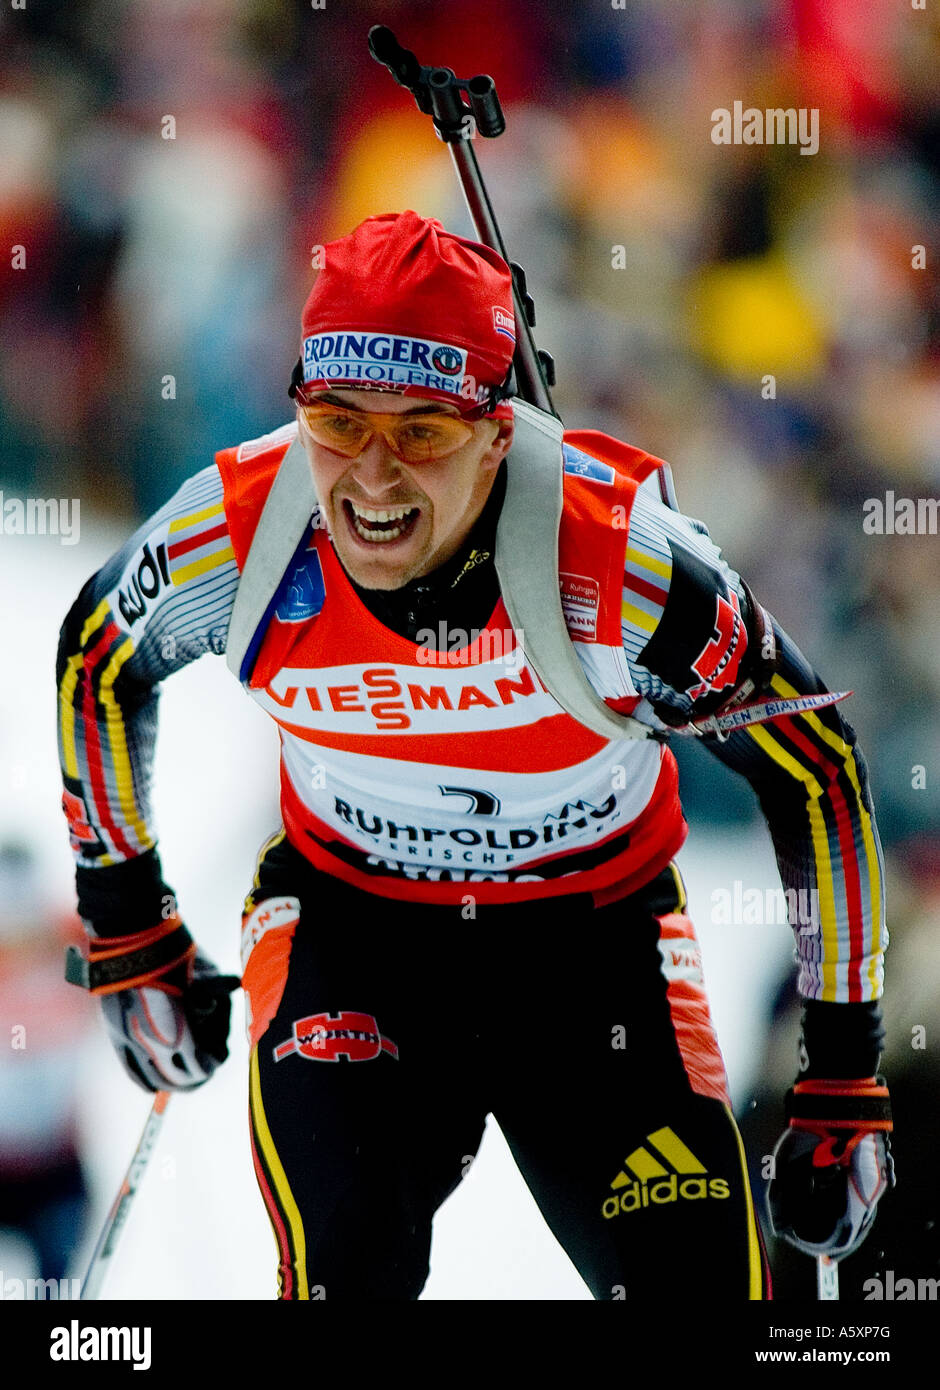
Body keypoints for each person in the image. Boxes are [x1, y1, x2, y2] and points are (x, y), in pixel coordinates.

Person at [57, 210, 893, 1301]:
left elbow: (812, 765)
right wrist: (129, 926)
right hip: (353, 936)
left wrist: (842, 1068)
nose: (371, 476)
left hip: (591, 952)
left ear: (498, 433)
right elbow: (96, 659)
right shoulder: (242, 530)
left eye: (423, 431)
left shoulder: (620, 564)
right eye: (338, 419)